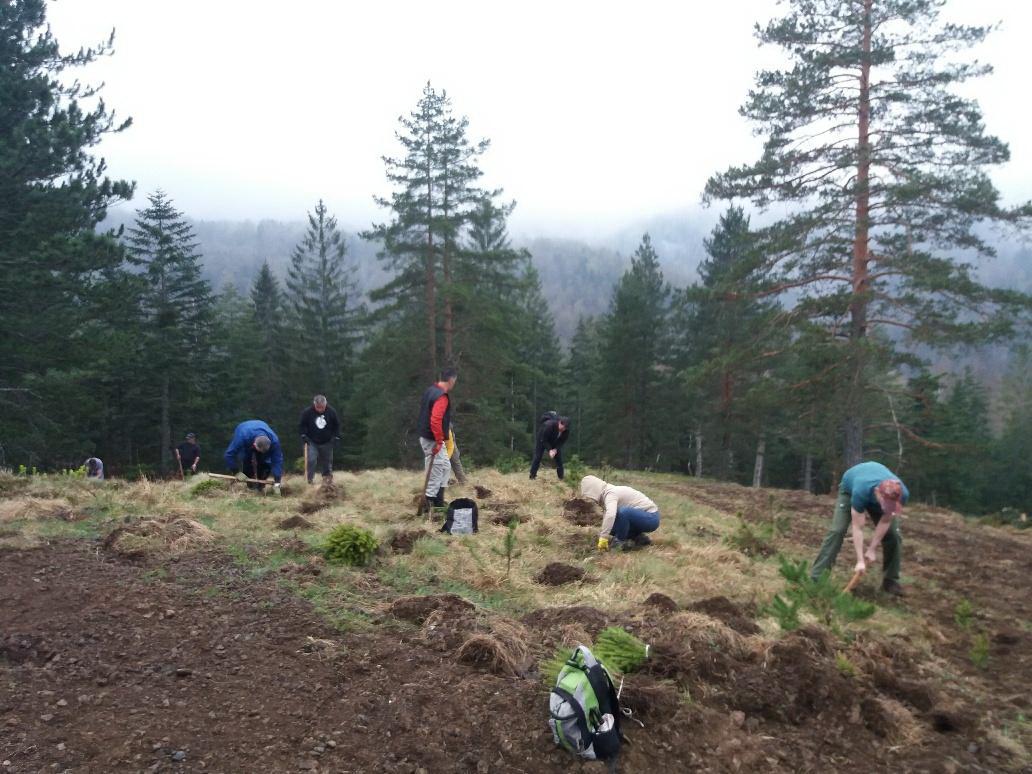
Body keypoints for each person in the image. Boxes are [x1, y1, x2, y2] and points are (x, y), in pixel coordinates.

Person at [810, 460, 909, 596]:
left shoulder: (901, 494)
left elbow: (885, 521)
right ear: (877, 492)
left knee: (893, 535)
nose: (887, 506)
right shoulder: (860, 490)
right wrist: (860, 560)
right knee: (837, 531)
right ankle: (817, 577)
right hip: (849, 488)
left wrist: (872, 549)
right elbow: (858, 527)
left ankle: (890, 580)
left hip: (874, 492)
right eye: (885, 503)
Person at [581, 475, 660, 551]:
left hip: (651, 518)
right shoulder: (607, 493)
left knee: (624, 512)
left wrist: (603, 537)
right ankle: (639, 538)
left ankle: (619, 543)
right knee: (611, 528)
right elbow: (608, 520)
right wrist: (605, 532)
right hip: (642, 518)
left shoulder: (610, 493)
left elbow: (610, 515)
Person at [417, 367, 457, 508]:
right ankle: (428, 503)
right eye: (455, 381)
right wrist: (439, 440)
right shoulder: (441, 396)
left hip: (429, 436)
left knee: (445, 466)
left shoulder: (431, 390)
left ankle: (439, 500)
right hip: (432, 439)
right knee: (436, 468)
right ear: (451, 380)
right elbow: (435, 420)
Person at [223, 419, 284, 495]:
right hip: (244, 429)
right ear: (254, 445)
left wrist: (277, 482)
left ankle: (260, 486)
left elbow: (277, 461)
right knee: (246, 458)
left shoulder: (274, 441)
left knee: (265, 462)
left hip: (261, 425)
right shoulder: (242, 437)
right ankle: (250, 485)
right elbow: (228, 455)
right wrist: (236, 472)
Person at [298, 394, 340, 484]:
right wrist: (303, 435)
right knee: (311, 460)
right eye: (318, 407)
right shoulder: (307, 412)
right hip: (311, 441)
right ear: (314, 405)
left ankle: (327, 480)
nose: (320, 409)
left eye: (322, 407)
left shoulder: (331, 412)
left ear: (325, 404)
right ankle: (309, 480)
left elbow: (337, 425)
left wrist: (336, 437)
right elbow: (302, 425)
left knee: (327, 462)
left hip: (327, 441)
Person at [530, 413, 571, 480]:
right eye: (562, 427)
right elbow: (544, 440)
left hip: (554, 440)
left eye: (565, 428)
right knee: (538, 456)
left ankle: (561, 477)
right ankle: (532, 476)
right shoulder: (549, 426)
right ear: (560, 423)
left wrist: (555, 449)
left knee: (559, 459)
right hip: (542, 438)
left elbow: (561, 442)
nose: (563, 429)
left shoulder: (566, 431)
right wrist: (550, 450)